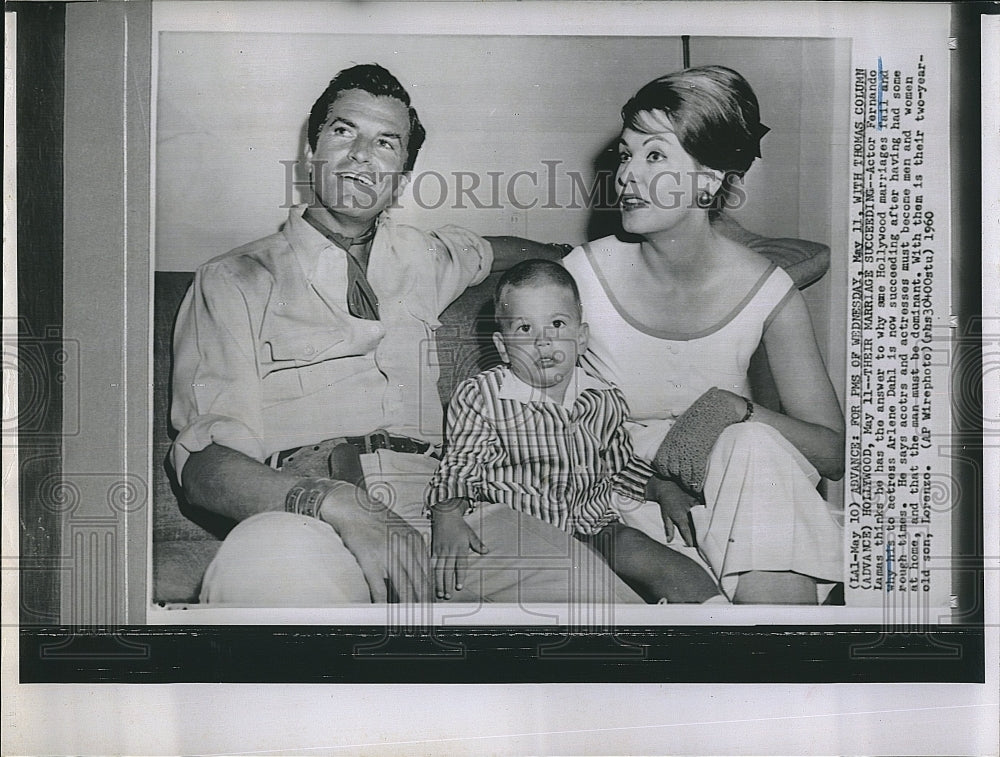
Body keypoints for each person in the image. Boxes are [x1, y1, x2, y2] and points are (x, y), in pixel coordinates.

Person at [169, 63, 642, 606]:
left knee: (603, 608)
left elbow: (503, 252)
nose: (361, 155)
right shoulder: (235, 279)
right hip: (314, 510)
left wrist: (599, 261)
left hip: (453, 510)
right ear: (310, 151)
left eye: (386, 143)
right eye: (344, 131)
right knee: (265, 570)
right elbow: (205, 466)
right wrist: (336, 504)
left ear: (400, 178)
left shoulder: (421, 257)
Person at [561, 66, 845, 604]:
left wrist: (732, 409)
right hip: (623, 504)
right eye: (626, 155)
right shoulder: (580, 279)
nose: (627, 177)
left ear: (709, 178)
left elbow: (833, 452)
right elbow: (537, 424)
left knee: (753, 441)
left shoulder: (767, 290)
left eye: (654, 156)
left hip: (738, 501)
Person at [425, 260, 721, 603]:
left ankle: (720, 620)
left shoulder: (604, 398)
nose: (543, 341)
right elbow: (461, 464)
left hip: (595, 526)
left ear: (581, 338)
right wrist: (447, 514)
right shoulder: (483, 395)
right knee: (592, 593)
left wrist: (659, 486)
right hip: (526, 533)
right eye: (524, 329)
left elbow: (619, 464)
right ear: (503, 346)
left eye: (557, 324)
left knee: (655, 558)